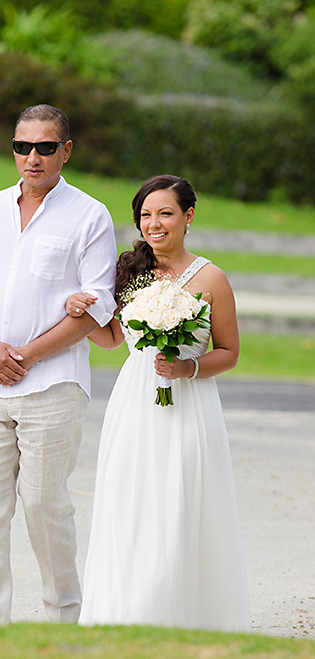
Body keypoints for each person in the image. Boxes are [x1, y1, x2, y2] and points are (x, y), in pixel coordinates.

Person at [0, 104, 117, 624]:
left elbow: (99, 307)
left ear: (65, 150)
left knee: (46, 508)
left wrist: (23, 356)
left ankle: (61, 618)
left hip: (53, 387)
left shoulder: (89, 215)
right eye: (23, 146)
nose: (33, 157)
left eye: (46, 147)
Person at [67, 175, 250, 631]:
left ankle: (183, 611)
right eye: (146, 215)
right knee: (129, 496)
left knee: (180, 497)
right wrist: (81, 314)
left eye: (165, 213)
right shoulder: (129, 271)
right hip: (134, 401)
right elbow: (113, 339)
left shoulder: (211, 279)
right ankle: (125, 609)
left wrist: (187, 368)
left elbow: (228, 351)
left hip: (189, 402)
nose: (154, 224)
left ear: (188, 217)